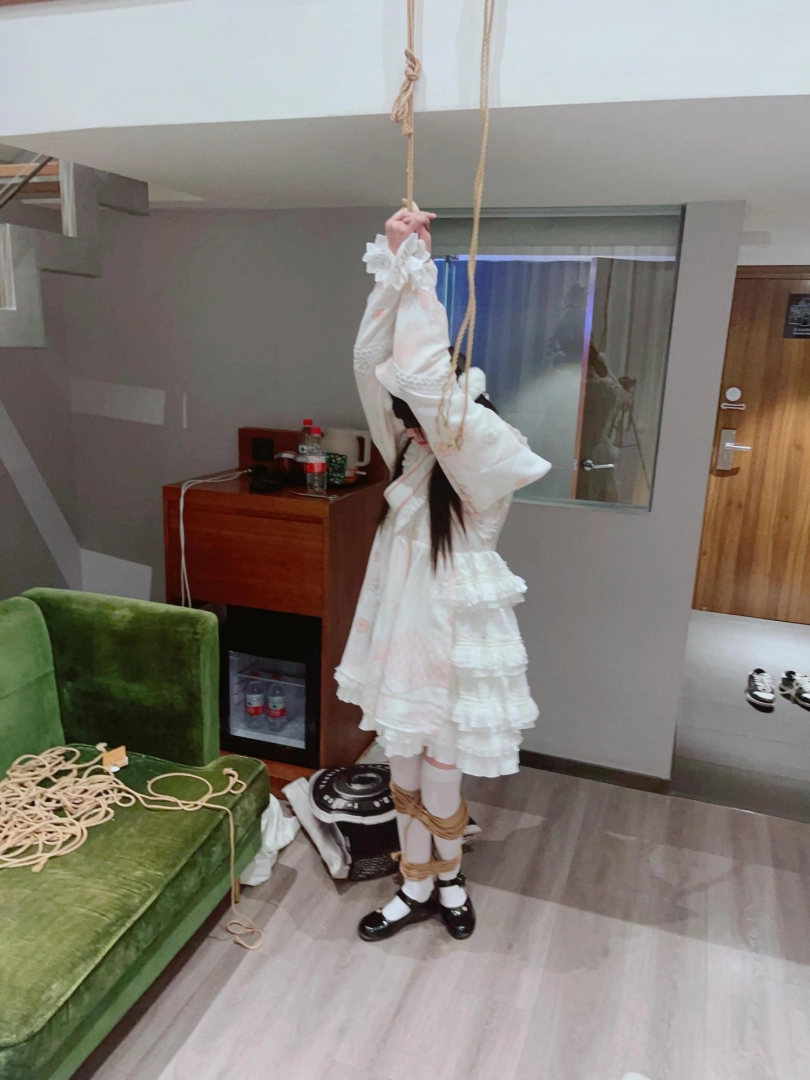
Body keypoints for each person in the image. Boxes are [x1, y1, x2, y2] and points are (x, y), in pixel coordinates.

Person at [335, 206, 551, 942]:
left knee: (442, 769)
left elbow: (423, 378)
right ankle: (415, 883)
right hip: (399, 631)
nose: (404, 422)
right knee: (402, 765)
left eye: (415, 413)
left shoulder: (488, 450)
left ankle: (449, 880)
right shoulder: (412, 449)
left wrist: (419, 271)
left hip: (454, 638)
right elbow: (370, 362)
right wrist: (393, 276)